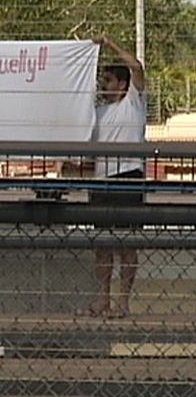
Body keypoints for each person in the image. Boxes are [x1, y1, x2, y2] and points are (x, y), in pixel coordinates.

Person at [79, 35, 146, 319]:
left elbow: (137, 67)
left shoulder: (133, 102)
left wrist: (109, 45)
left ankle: (123, 302)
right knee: (103, 244)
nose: (104, 86)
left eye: (107, 80)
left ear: (121, 84)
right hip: (101, 181)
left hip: (128, 177)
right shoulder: (96, 113)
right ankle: (103, 298)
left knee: (127, 244)